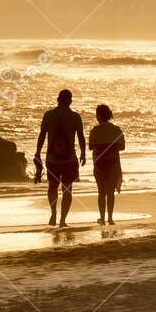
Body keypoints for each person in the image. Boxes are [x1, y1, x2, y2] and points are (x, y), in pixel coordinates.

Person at [34, 89, 86, 227]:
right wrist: (83, 153)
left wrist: (37, 152)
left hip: (52, 159)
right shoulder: (75, 117)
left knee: (52, 187)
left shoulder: (49, 115)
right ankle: (63, 220)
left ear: (58, 100)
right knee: (67, 189)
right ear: (70, 101)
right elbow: (81, 136)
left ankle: (53, 214)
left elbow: (42, 135)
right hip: (70, 159)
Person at [89, 104, 126, 225]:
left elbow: (90, 147)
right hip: (113, 163)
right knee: (110, 192)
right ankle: (110, 218)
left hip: (99, 164)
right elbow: (122, 147)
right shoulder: (116, 130)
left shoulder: (94, 131)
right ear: (109, 115)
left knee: (101, 192)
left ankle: (102, 219)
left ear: (98, 116)